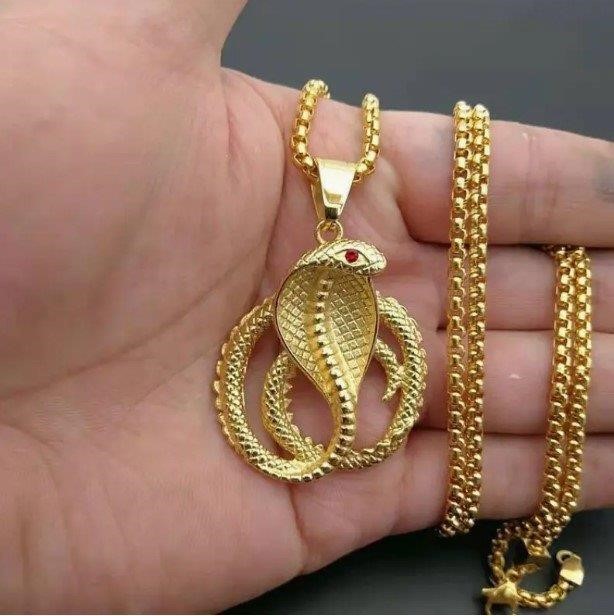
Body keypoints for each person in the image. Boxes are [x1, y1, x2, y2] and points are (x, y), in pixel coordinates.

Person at [0, 1, 612, 612]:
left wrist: (392, 368)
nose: (368, 264)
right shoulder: (301, 292)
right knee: (308, 375)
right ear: (332, 261)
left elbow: (384, 332)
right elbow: (285, 343)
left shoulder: (354, 292)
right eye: (358, 259)